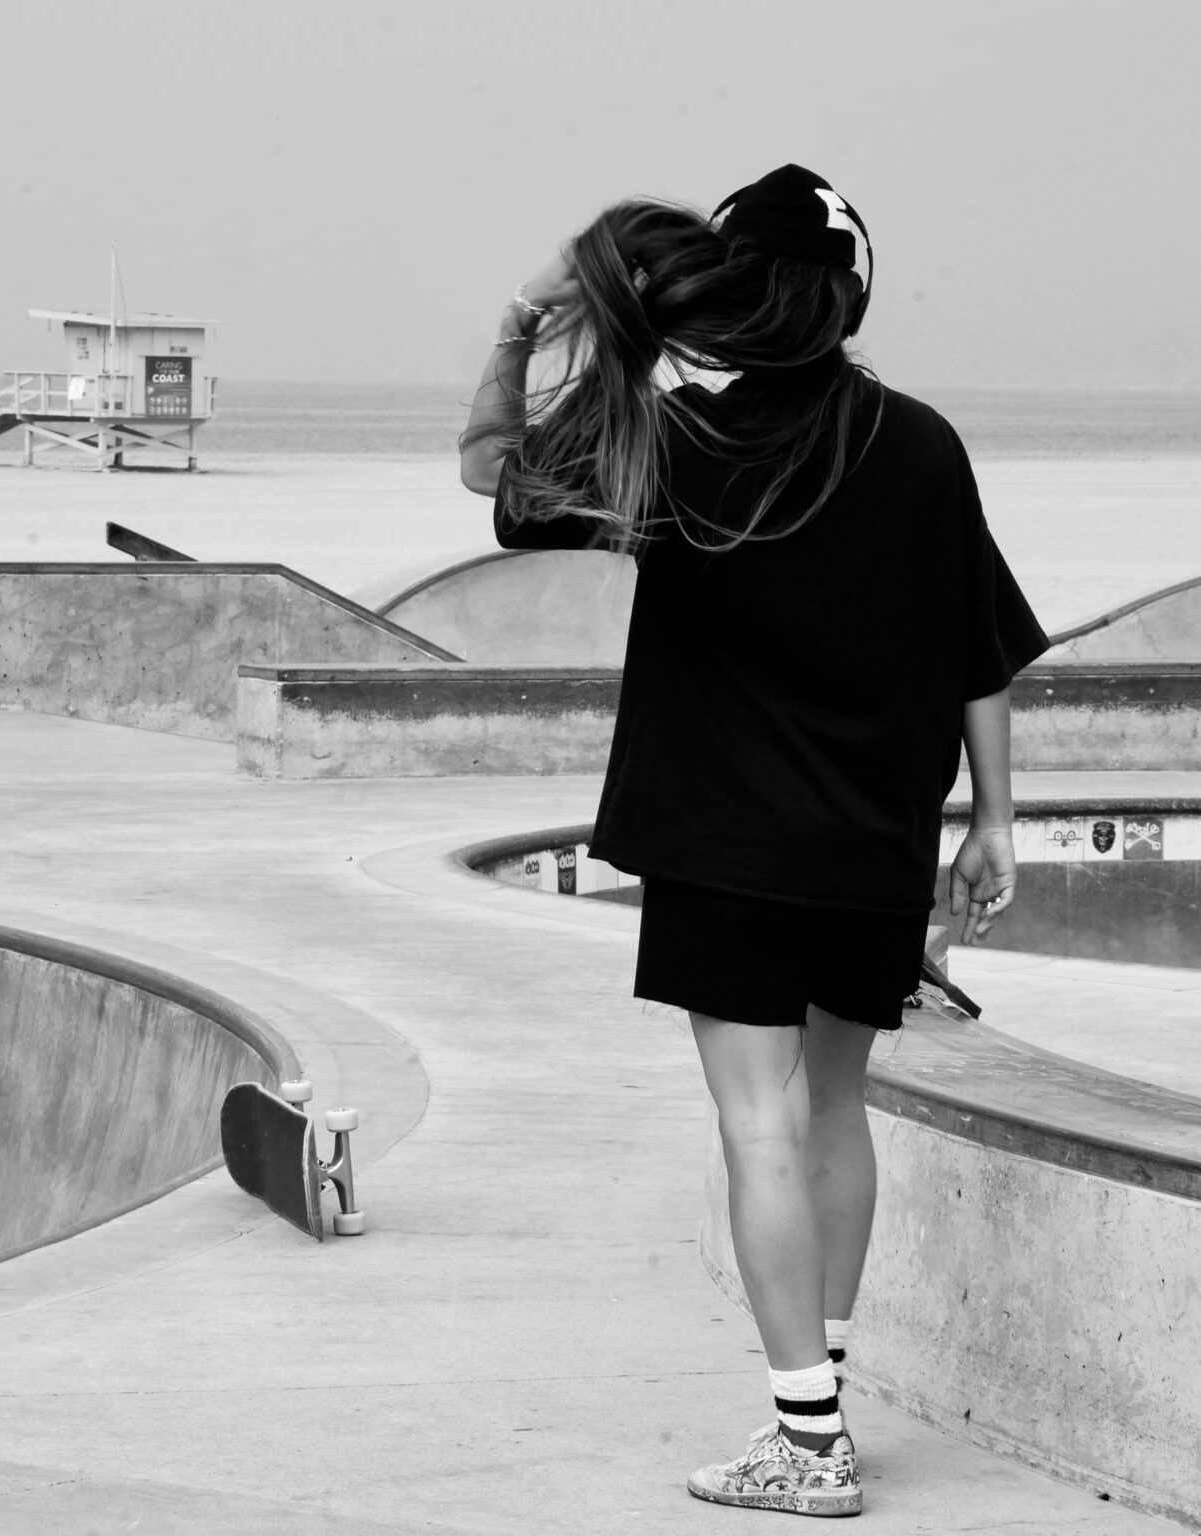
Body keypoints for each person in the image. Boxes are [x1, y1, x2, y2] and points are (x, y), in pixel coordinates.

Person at [459, 165, 1048, 1517]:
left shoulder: (679, 440)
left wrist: (523, 324)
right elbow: (980, 650)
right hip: (871, 844)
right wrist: (994, 822)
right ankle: (820, 1401)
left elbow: (492, 471)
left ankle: (807, 1442)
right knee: (833, 1108)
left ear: (730, 286)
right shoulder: (922, 441)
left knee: (755, 1123)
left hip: (723, 842)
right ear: (850, 294)